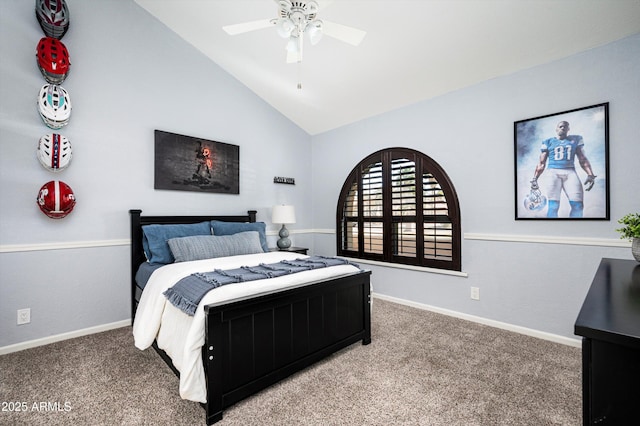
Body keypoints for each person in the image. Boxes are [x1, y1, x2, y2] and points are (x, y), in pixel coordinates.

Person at [530, 120, 596, 218]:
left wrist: (590, 174)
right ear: (556, 129)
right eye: (560, 126)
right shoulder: (548, 142)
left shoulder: (576, 139)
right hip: (553, 173)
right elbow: (541, 163)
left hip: (570, 172)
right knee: (553, 206)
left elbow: (582, 158)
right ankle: (551, 230)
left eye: (565, 126)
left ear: (568, 129)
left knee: (578, 206)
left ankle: (576, 230)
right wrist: (535, 178)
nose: (562, 128)